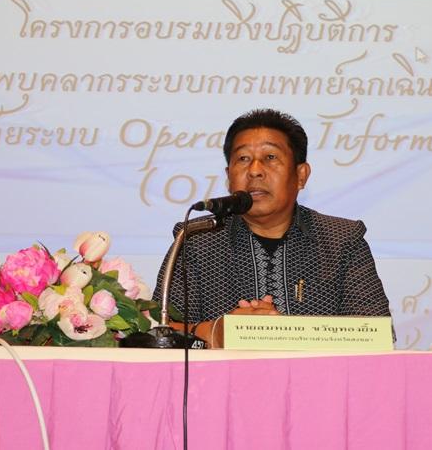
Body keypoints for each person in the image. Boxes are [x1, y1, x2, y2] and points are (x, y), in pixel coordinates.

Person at [152, 108, 393, 348]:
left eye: (270, 157)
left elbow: (377, 334)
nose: (255, 170)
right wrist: (214, 332)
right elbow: (156, 329)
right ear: (228, 176)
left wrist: (279, 333)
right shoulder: (196, 239)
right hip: (221, 374)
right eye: (243, 159)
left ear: (301, 175)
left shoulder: (342, 240)